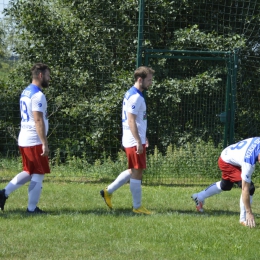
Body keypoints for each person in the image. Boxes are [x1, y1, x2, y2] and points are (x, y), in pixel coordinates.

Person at [100, 66, 155, 214]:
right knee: (137, 172)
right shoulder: (136, 96)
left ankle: (108, 191)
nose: (151, 83)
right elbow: (131, 120)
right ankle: (137, 207)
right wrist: (138, 140)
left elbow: (137, 120)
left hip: (134, 138)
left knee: (133, 170)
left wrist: (143, 137)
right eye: (149, 80)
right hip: (133, 140)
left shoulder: (132, 93)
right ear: (140, 79)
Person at [0, 63, 51, 213]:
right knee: (38, 173)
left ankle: (3, 193)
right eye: (48, 75)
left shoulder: (26, 91)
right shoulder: (37, 95)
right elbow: (38, 120)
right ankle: (32, 208)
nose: (49, 78)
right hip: (34, 140)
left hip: (24, 138)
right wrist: (44, 143)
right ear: (40, 76)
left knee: (29, 171)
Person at [191, 137, 259, 228]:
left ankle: (199, 196)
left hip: (229, 154)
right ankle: (243, 219)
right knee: (250, 188)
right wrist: (249, 212)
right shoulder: (249, 162)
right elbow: (245, 188)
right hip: (226, 161)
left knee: (226, 185)